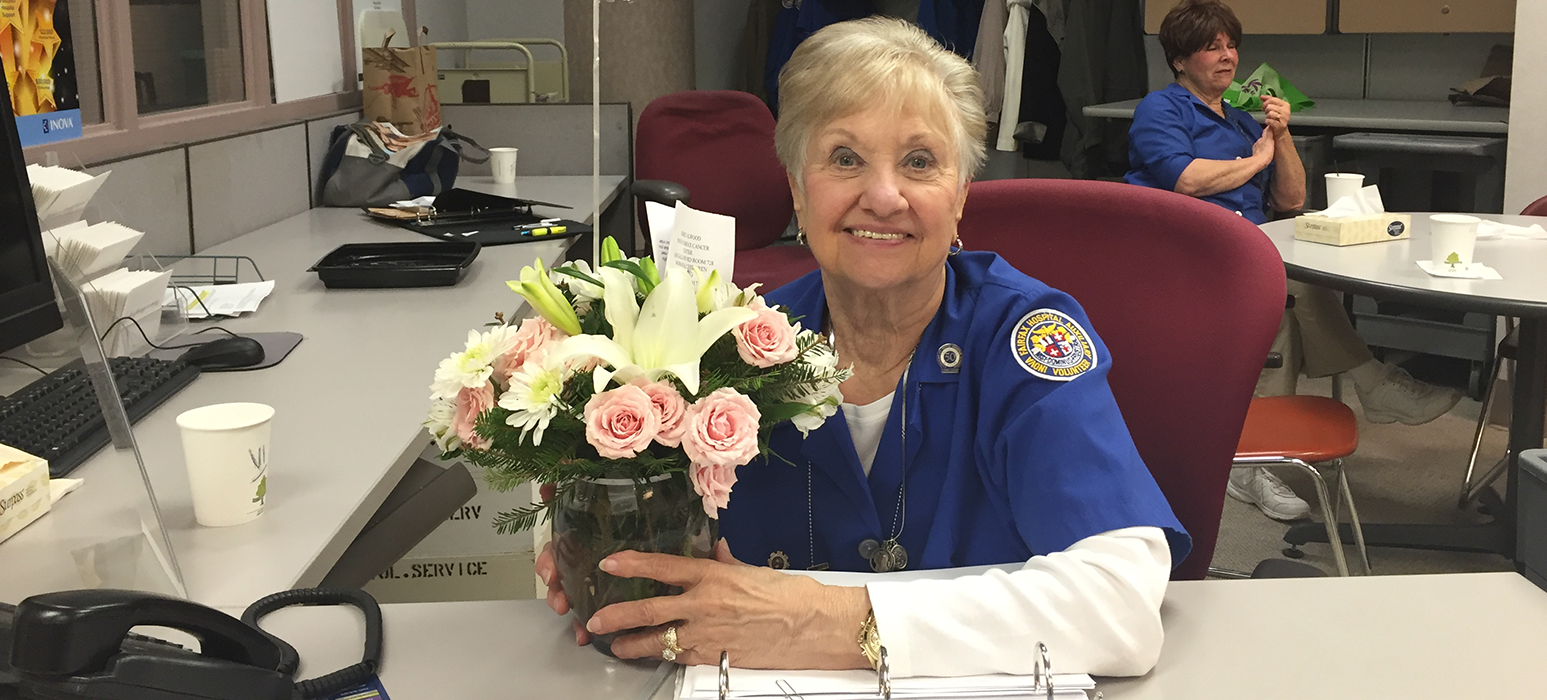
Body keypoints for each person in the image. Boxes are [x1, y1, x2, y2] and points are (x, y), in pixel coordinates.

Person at [536, 17, 1188, 678]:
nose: (882, 196)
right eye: (845, 158)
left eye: (919, 161)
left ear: (960, 196)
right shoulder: (730, 345)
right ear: (797, 186)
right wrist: (603, 549)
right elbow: (655, 528)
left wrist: (831, 623)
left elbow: (1122, 606)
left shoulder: (1022, 339)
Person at [1125, 0, 1461, 522]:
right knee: (1283, 285)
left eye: (1231, 45)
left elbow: (1291, 200)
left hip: (1248, 247)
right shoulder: (1161, 110)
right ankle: (1369, 385)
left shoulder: (1241, 118)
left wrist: (1280, 139)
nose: (1227, 56)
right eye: (1211, 47)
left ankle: (1250, 457)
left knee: (1288, 288)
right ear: (1179, 60)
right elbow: (1185, 180)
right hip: (1186, 250)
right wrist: (1255, 158)